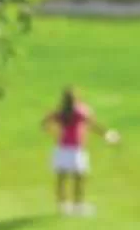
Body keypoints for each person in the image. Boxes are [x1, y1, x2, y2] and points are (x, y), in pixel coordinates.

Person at [40, 86, 116, 216]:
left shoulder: (61, 111)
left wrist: (53, 133)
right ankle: (78, 206)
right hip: (76, 149)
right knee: (79, 177)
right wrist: (106, 134)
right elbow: (92, 125)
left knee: (62, 177)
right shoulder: (80, 111)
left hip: (62, 148)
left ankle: (63, 205)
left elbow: (45, 122)